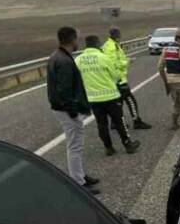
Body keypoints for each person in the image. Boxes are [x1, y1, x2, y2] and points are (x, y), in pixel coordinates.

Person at [46, 26, 100, 194]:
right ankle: (79, 183)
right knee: (75, 146)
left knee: (75, 145)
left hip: (61, 108)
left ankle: (81, 175)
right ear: (71, 39)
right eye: (77, 38)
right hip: (66, 110)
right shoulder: (64, 61)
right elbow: (65, 90)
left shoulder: (56, 56)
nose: (78, 41)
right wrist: (73, 111)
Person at [76, 35, 139, 155]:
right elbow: (115, 75)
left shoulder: (78, 60)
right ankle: (127, 144)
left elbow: (76, 78)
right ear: (97, 44)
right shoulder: (103, 58)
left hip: (93, 98)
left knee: (101, 124)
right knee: (119, 121)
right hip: (111, 96)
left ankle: (108, 147)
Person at [101, 28, 152, 130]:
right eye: (119, 35)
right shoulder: (112, 47)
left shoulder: (108, 45)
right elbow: (113, 63)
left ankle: (115, 123)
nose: (120, 37)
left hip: (113, 79)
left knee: (118, 102)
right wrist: (128, 62)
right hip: (119, 79)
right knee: (130, 100)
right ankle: (136, 121)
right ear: (116, 35)